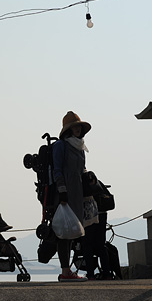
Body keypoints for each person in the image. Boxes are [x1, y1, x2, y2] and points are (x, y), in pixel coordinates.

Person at [52, 111, 91, 282]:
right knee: (64, 233)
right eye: (74, 126)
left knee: (73, 233)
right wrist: (62, 191)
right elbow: (57, 170)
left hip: (78, 192)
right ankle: (65, 271)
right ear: (68, 129)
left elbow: (82, 170)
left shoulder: (80, 147)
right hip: (65, 192)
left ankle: (67, 270)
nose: (77, 129)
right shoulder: (61, 145)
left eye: (79, 126)